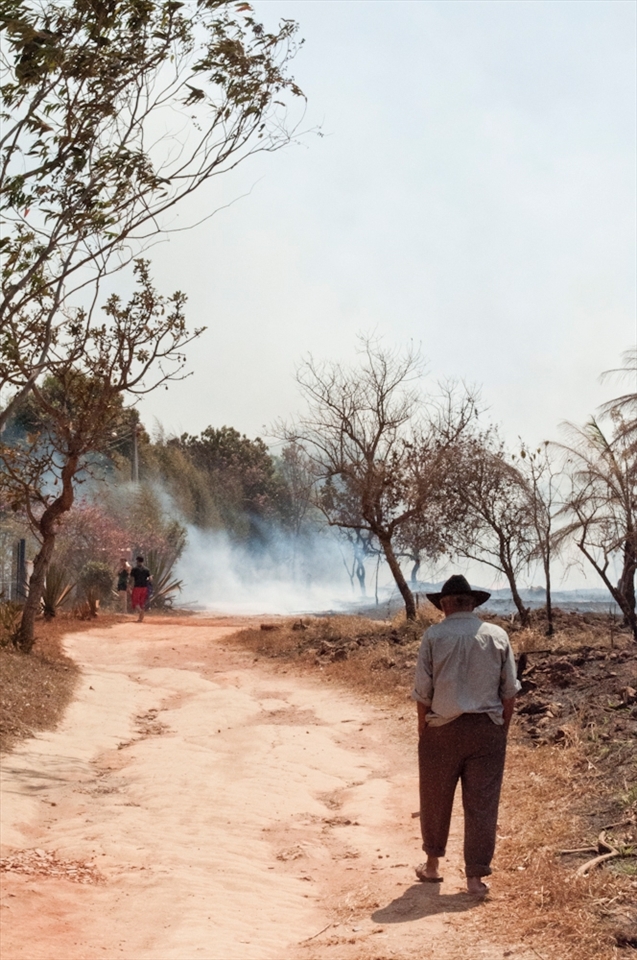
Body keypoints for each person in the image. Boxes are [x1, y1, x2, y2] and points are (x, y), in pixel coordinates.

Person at [412, 575, 520, 897]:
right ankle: (475, 879)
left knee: (434, 797)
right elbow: (510, 693)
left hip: (441, 729)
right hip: (486, 730)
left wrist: (424, 729)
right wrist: (501, 729)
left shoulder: (433, 636)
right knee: (482, 804)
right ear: (473, 603)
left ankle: (432, 865)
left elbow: (423, 693)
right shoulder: (497, 636)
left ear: (444, 605)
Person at [130, 555, 152, 622]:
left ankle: (140, 612)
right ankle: (140, 618)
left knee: (135, 601)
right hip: (144, 588)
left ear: (137, 561)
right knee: (141, 602)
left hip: (137, 587)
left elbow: (131, 579)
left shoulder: (134, 569)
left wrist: (129, 586)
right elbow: (150, 579)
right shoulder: (146, 570)